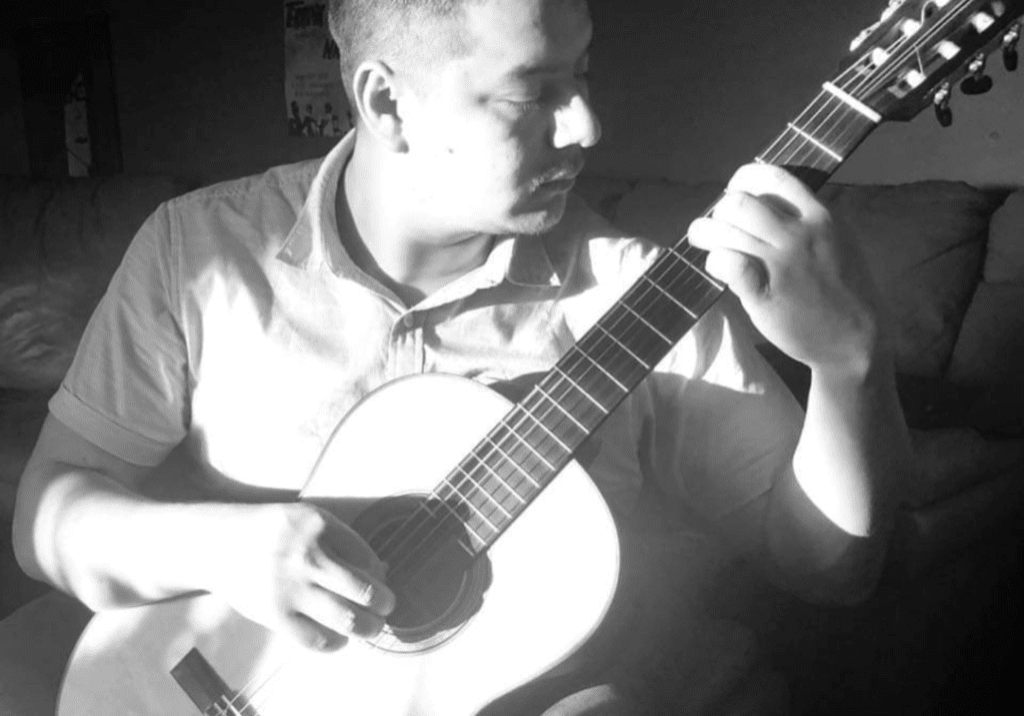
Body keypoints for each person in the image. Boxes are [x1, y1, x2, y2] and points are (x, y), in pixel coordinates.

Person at [7, 0, 917, 714]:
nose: (589, 126)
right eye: (536, 92)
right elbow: (51, 512)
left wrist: (849, 364)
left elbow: (829, 572)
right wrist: (228, 545)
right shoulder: (198, 251)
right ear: (386, 101)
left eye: (586, 75)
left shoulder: (640, 296)